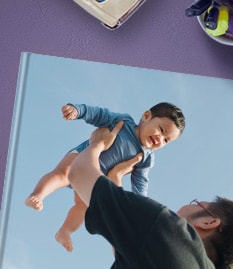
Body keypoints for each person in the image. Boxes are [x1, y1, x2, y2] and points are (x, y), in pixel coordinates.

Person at [68, 123, 233, 269]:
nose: (189, 205)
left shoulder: (169, 231)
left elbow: (79, 172)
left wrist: (97, 143)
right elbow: (128, 241)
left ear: (209, 222)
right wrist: (116, 177)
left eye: (198, 203)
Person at [25, 102, 185, 252]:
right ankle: (37, 195)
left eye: (166, 140)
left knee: (84, 206)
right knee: (62, 174)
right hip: (82, 157)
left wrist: (140, 208)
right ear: (146, 116)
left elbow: (140, 184)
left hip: (93, 179)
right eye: (161, 130)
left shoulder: (146, 158)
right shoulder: (124, 122)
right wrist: (78, 110)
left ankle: (65, 230)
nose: (160, 139)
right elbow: (100, 114)